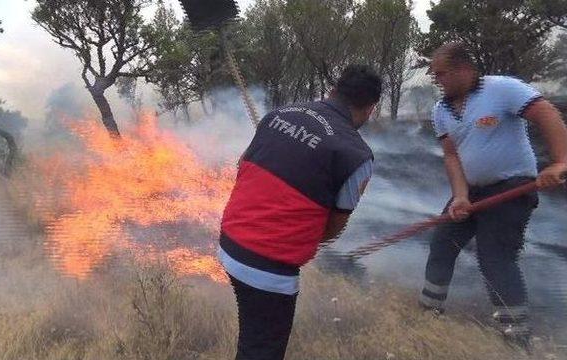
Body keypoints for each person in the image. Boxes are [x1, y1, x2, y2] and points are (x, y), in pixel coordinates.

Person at [217, 64, 382, 360]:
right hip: (268, 270)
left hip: (229, 244)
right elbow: (334, 227)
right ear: (371, 108)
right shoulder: (357, 155)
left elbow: (242, 167)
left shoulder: (278, 115)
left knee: (253, 330)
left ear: (333, 90)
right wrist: (304, 238)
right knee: (261, 350)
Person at [419, 42, 567, 345]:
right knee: (442, 244)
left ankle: (516, 337)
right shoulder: (440, 110)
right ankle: (427, 313)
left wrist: (561, 161)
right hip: (470, 191)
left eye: (441, 74)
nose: (437, 80)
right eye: (434, 75)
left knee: (495, 257)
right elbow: (451, 156)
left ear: (464, 69)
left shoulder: (503, 89)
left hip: (511, 187)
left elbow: (547, 115)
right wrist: (460, 196)